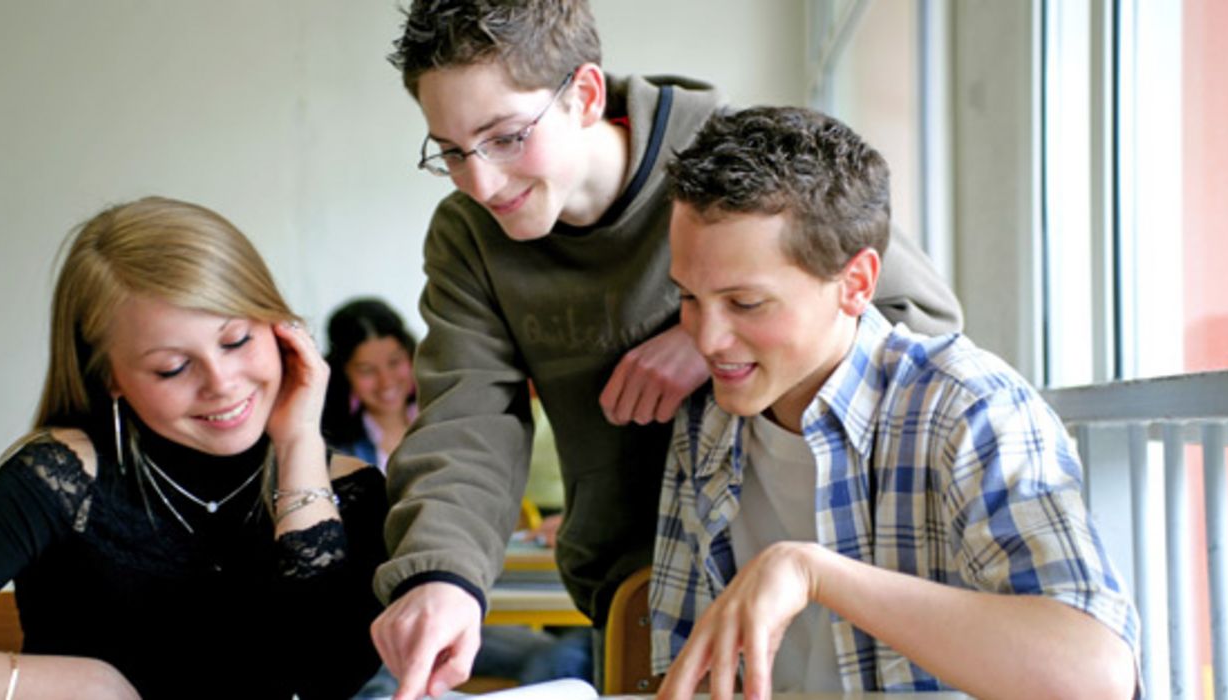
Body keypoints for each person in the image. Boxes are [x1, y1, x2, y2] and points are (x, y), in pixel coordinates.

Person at [369, 2, 965, 698]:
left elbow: (919, 321)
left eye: (504, 138)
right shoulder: (467, 234)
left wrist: (703, 337)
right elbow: (468, 420)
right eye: (449, 150)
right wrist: (443, 576)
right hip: (640, 588)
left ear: (584, 95)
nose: (480, 183)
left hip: (819, 571)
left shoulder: (739, 167)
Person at [650, 107, 1140, 699]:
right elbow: (680, 666)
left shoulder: (969, 409)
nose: (706, 339)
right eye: (689, 298)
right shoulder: (707, 423)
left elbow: (1096, 678)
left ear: (856, 284)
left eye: (747, 303)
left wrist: (814, 572)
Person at [0, 197, 387, 699]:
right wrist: (79, 685)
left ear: (281, 329)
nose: (221, 382)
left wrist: (298, 447)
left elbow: (325, 674)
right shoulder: (63, 476)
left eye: (237, 340)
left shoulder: (351, 489)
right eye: (172, 367)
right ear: (110, 377)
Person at [323, 297, 419, 473]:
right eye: (367, 370)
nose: (386, 381)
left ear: (411, 355)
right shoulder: (335, 452)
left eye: (394, 362)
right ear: (343, 373)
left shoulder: (447, 417)